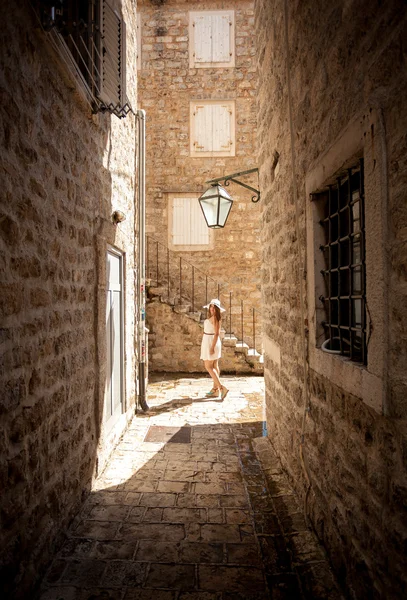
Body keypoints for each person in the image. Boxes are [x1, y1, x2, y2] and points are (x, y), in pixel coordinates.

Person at [200, 299, 229, 399]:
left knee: (208, 367)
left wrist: (212, 347)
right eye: (211, 307)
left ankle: (221, 388)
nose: (212, 309)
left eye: (214, 307)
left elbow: (217, 333)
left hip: (211, 342)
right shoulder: (213, 318)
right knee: (215, 366)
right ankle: (215, 390)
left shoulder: (216, 319)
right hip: (208, 340)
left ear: (217, 309)